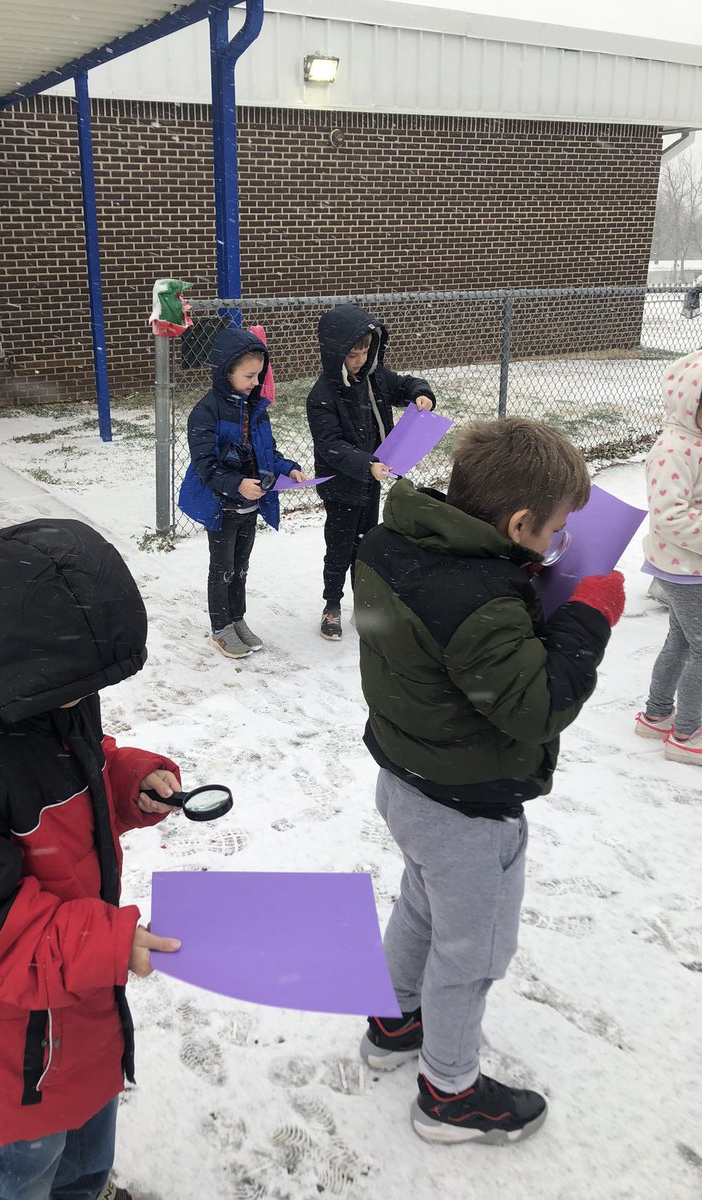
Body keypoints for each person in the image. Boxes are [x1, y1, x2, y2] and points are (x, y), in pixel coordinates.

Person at [353, 418, 624, 1144]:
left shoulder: (396, 541)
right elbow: (537, 706)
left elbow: (443, 629)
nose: (560, 542)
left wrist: (516, 576)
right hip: (467, 809)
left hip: (405, 779)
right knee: (470, 953)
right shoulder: (482, 602)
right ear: (518, 522)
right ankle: (449, 1094)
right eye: (557, 530)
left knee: (419, 906)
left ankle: (392, 1021)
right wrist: (587, 621)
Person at [0, 518, 182, 1200]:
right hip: (15, 1037)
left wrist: (130, 785)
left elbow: (84, 774)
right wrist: (109, 943)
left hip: (77, 1003)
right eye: (78, 684)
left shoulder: (55, 700)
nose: (87, 699)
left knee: (90, 1140)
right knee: (25, 1165)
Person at [306, 304, 436, 641]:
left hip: (371, 481)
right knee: (339, 546)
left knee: (366, 545)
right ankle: (331, 605)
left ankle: (363, 604)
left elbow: (405, 384)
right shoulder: (323, 395)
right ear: (335, 353)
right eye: (352, 354)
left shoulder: (375, 379)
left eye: (365, 351)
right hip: (342, 485)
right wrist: (366, 464)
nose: (360, 359)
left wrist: (420, 395)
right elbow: (330, 445)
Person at [178, 327, 305, 659]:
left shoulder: (256, 409)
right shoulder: (206, 412)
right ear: (226, 372)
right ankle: (221, 628)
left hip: (252, 504)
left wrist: (287, 468)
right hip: (222, 506)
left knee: (241, 567)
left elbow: (268, 454)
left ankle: (237, 619)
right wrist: (236, 484)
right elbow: (205, 465)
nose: (254, 382)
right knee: (222, 568)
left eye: (258, 376)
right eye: (248, 375)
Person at [634, 350, 702, 764]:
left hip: (689, 566)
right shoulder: (674, 449)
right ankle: (688, 732)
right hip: (684, 567)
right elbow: (669, 515)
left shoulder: (695, 443)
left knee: (680, 639)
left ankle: (657, 715)